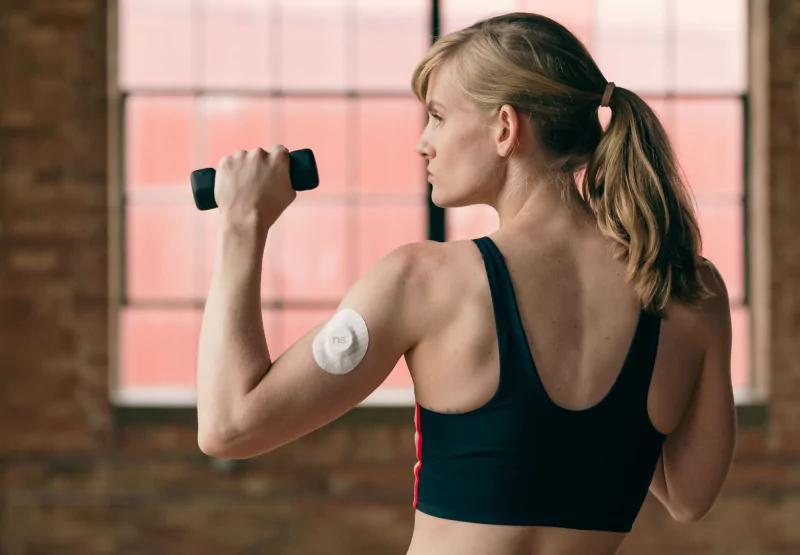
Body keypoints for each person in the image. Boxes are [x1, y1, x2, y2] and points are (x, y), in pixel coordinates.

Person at [195, 12, 737, 555]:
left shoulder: (424, 283)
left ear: (505, 128)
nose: (422, 144)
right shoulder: (690, 289)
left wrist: (244, 222)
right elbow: (690, 496)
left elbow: (229, 426)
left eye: (436, 116)